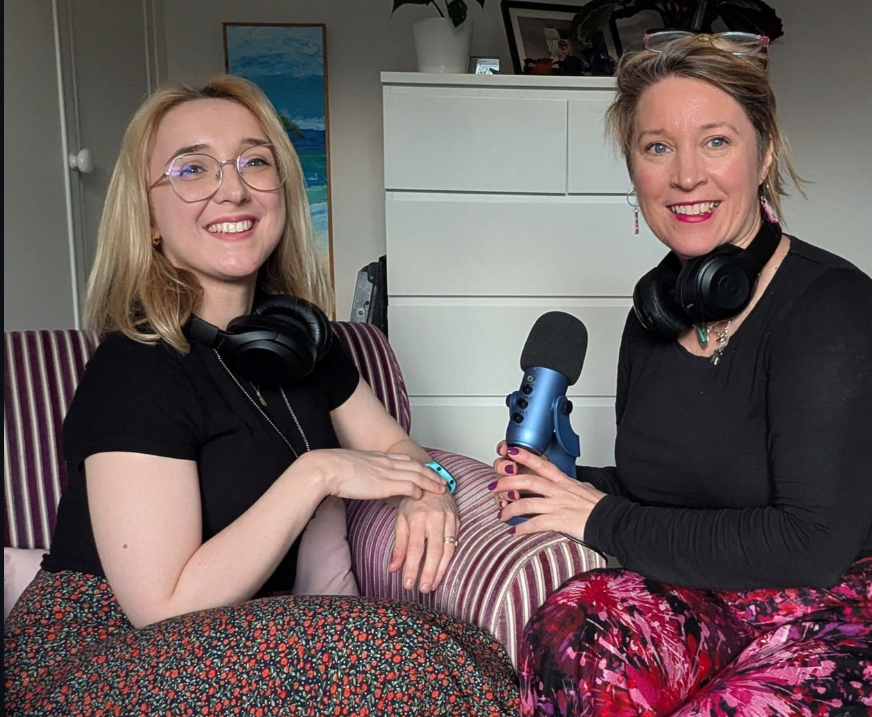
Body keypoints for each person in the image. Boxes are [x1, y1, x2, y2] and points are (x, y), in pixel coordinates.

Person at [4, 74, 519, 716]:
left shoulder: (300, 341)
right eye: (192, 169)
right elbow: (163, 606)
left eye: (254, 161)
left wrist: (428, 489)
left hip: (231, 637)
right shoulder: (135, 369)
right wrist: (318, 472)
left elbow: (392, 443)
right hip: (97, 653)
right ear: (150, 219)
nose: (233, 188)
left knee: (467, 650)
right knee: (410, 663)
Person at [490, 32, 872, 716]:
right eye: (657, 146)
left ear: (764, 153)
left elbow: (811, 543)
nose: (685, 175)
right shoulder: (654, 315)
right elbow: (659, 490)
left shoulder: (831, 306)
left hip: (831, 599)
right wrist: (560, 484)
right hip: (702, 592)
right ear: (634, 168)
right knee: (571, 631)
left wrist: (600, 515)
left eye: (716, 141)